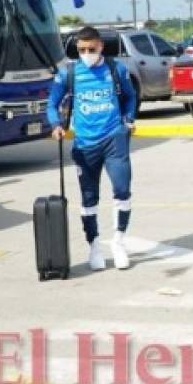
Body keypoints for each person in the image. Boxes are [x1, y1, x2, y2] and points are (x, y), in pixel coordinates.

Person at [47, 26, 138, 271]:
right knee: (89, 198)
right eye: (81, 50)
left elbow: (130, 97)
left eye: (91, 49)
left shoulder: (115, 69)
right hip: (85, 144)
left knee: (122, 189)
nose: (86, 53)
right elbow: (52, 103)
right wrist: (56, 125)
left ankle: (118, 241)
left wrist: (129, 120)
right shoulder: (69, 73)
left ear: (101, 47)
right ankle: (94, 245)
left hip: (114, 139)